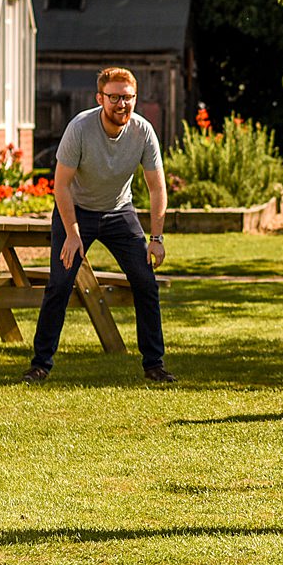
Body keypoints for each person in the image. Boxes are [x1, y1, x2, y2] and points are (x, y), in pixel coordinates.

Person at [23, 67, 174, 385]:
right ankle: (40, 364)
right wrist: (73, 233)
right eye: (115, 97)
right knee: (60, 284)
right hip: (76, 212)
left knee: (145, 283)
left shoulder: (143, 132)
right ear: (100, 98)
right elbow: (60, 185)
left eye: (128, 97)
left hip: (120, 212)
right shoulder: (80, 128)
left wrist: (156, 237)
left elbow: (157, 188)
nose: (122, 104)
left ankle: (154, 365)